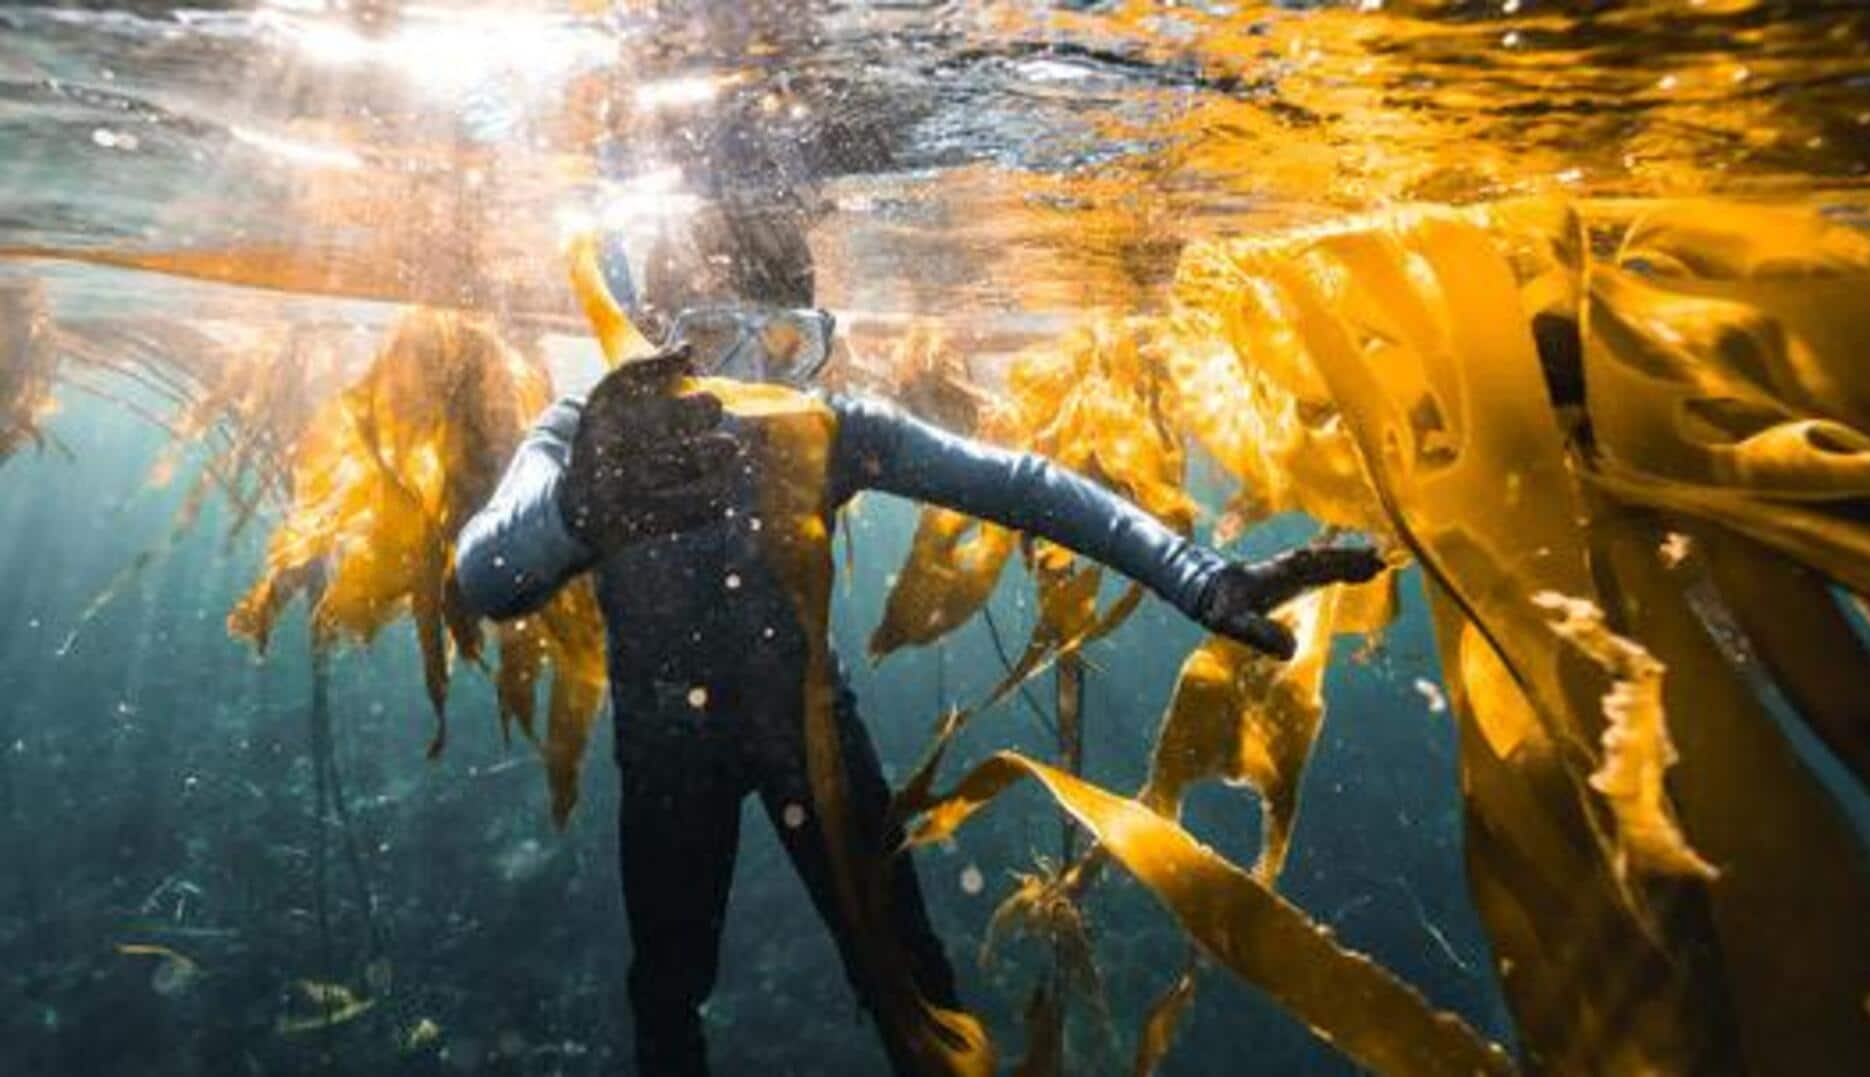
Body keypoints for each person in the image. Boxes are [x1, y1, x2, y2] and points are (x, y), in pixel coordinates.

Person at [453, 210, 1385, 1075]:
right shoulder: (589, 435)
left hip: (811, 740)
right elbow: (484, 573)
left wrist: (1195, 573)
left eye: (782, 345)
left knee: (912, 983)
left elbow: (1019, 483)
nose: (749, 381)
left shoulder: (832, 432)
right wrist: (582, 502)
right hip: (672, 759)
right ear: (656, 336)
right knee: (667, 989)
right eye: (709, 340)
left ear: (816, 347)